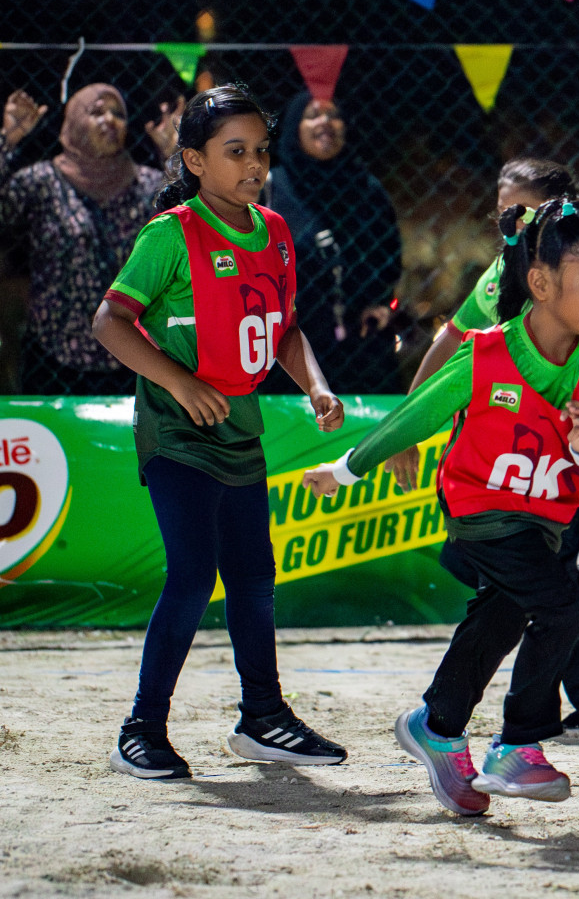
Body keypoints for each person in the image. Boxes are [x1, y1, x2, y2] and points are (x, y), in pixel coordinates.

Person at [302, 198, 579, 815]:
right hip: (480, 510)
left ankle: (438, 722)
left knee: (505, 613)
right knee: (564, 610)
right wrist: (347, 469)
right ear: (540, 283)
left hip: (546, 517)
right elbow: (417, 415)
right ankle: (519, 747)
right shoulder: (485, 355)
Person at [91, 84, 349, 780]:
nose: (254, 165)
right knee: (193, 573)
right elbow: (110, 322)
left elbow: (286, 330)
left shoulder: (276, 231)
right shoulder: (171, 233)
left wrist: (316, 385)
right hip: (176, 429)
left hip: (240, 426)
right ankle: (140, 730)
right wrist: (181, 382)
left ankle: (262, 718)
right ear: (195, 161)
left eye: (260, 151)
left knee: (254, 577)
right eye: (234, 152)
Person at [386, 158, 579, 738]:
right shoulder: (502, 273)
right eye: (503, 210)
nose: (510, 221)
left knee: (538, 592)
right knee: (521, 586)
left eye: (522, 210)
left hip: (556, 466)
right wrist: (409, 422)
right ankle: (498, 721)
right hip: (499, 469)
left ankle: (532, 724)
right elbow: (453, 345)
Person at [1, 84, 182, 393]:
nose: (110, 120)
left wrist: (176, 158)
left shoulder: (149, 184)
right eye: (97, 111)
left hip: (135, 355)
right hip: (53, 356)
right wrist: (8, 140)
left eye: (118, 114)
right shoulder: (41, 181)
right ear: (71, 122)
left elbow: (196, 228)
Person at [264, 92, 403, 393]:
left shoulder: (366, 189)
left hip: (358, 343)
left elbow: (387, 252)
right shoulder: (272, 189)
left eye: (333, 114)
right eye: (313, 115)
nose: (325, 122)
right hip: (286, 340)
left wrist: (379, 299)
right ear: (294, 128)